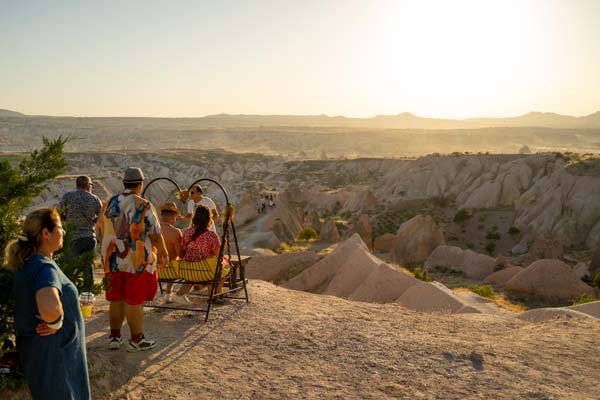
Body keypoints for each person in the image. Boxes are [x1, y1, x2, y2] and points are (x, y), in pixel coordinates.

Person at [3, 207, 91, 399]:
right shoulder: (45, 267)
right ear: (46, 233)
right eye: (59, 226)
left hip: (42, 356)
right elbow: (49, 307)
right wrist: (56, 321)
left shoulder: (28, 264)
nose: (64, 231)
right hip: (58, 360)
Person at [99, 167, 169, 352]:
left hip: (111, 259)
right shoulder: (143, 204)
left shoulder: (109, 203)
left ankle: (114, 337)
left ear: (124, 183)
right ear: (140, 184)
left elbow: (101, 229)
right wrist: (163, 252)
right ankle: (136, 340)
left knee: (116, 299)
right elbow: (154, 234)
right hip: (135, 260)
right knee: (133, 301)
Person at [58, 175, 102, 292]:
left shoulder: (67, 196)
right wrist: (93, 221)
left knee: (69, 267)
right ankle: (88, 294)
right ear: (88, 185)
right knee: (88, 266)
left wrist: (66, 220)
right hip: (89, 238)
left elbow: (59, 213)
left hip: (73, 238)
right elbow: (101, 217)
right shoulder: (95, 199)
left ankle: (68, 292)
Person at [179, 205, 228, 301]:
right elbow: (219, 256)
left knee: (210, 266)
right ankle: (214, 296)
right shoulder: (212, 235)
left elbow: (182, 252)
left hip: (190, 271)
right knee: (224, 268)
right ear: (208, 219)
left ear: (195, 218)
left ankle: (181, 294)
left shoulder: (186, 233)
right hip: (206, 272)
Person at [158, 202, 185, 303]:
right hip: (169, 270)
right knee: (176, 261)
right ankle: (169, 292)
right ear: (172, 216)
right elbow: (180, 254)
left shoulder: (152, 229)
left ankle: (168, 292)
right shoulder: (175, 232)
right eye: (176, 217)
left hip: (153, 268)